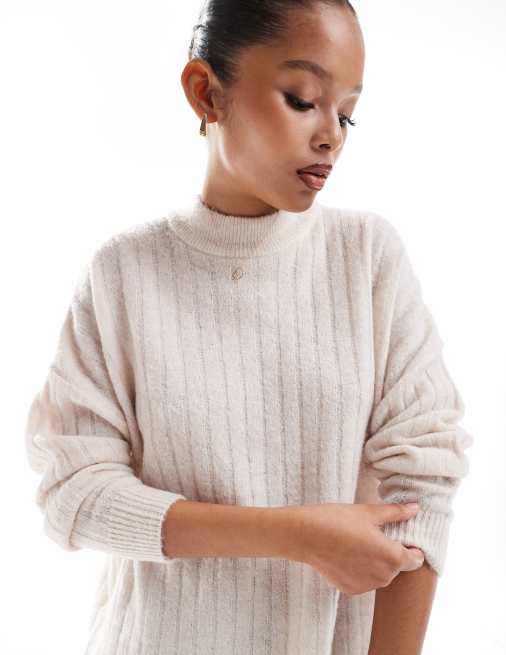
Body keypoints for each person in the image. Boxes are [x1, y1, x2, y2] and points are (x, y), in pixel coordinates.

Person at [24, 1, 474, 654]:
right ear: (206, 92)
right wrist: (295, 534)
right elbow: (74, 493)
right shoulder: (123, 272)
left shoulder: (366, 259)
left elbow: (424, 487)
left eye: (347, 113)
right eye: (302, 100)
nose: (331, 135)